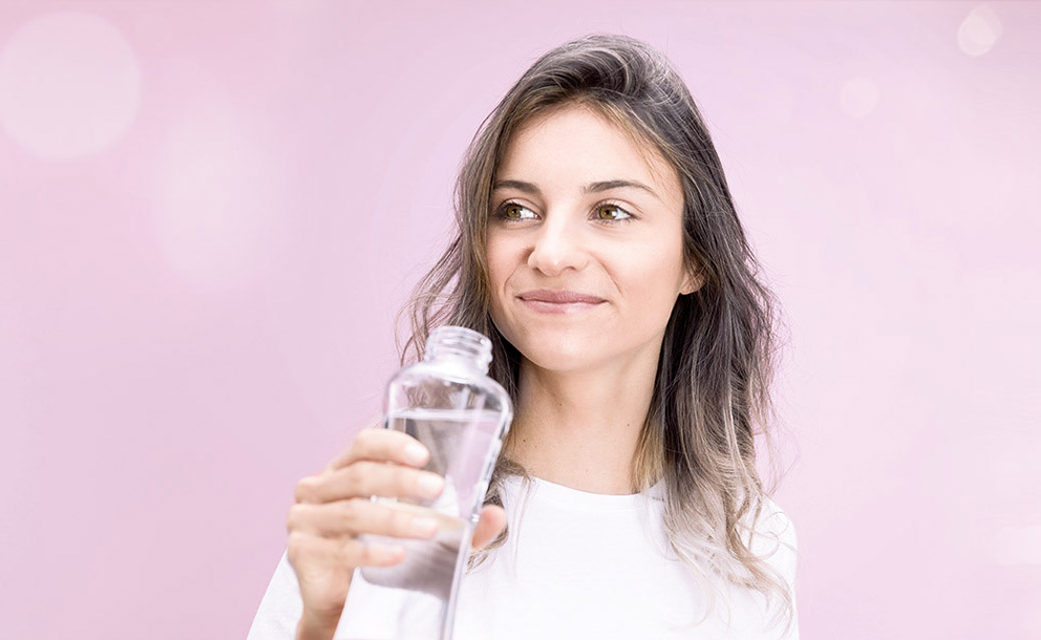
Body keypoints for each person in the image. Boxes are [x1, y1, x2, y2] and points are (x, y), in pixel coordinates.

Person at [248, 33, 799, 639]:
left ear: (696, 259)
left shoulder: (753, 546)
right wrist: (322, 627)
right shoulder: (398, 511)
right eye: (516, 210)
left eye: (611, 211)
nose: (551, 253)